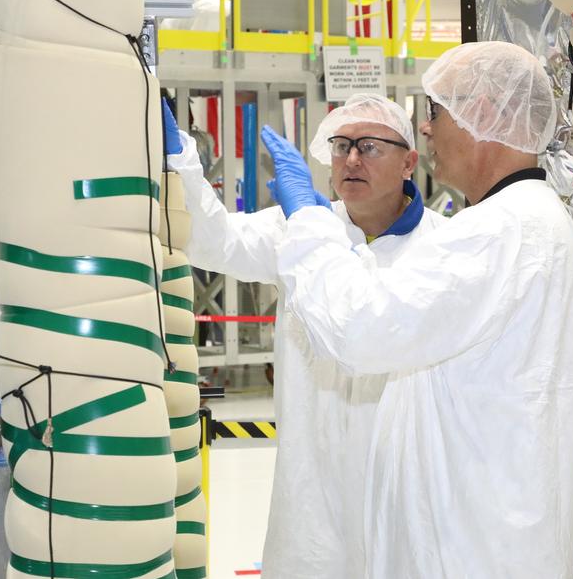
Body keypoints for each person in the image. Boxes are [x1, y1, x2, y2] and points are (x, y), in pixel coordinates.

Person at [261, 41, 573, 579]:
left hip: (473, 550)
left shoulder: (495, 234)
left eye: (436, 112)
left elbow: (357, 329)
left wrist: (308, 219)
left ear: (482, 114)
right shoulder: (535, 224)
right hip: (495, 539)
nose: (426, 129)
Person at [162, 94, 444, 578]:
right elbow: (213, 241)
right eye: (340, 146)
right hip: (311, 498)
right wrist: (178, 156)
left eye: (370, 146)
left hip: (405, 494)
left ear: (409, 161)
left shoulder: (443, 249)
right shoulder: (297, 229)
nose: (351, 159)